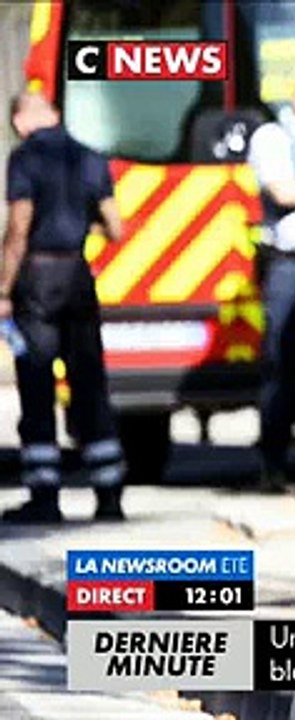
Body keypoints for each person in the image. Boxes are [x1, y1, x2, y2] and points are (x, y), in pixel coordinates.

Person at [1, 92, 126, 523]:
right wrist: (77, 226)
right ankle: (109, 496)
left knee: (37, 383)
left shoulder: (24, 159)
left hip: (37, 279)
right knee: (89, 381)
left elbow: (18, 227)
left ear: (20, 121)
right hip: (78, 276)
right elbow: (117, 227)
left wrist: (3, 288)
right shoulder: (91, 158)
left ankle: (44, 497)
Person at [249, 75, 295, 491]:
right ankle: (272, 464)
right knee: (280, 363)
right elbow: (282, 190)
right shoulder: (273, 136)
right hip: (290, 263)